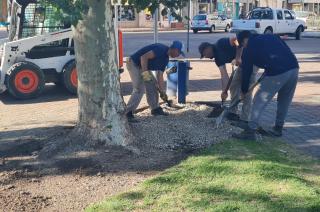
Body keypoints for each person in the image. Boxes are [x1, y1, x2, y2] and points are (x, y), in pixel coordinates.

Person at [233, 31, 299, 140]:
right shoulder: (271, 36)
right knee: (284, 101)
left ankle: (250, 131)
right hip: (294, 68)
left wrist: (244, 90)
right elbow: (282, 51)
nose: (243, 47)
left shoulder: (249, 47)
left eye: (242, 44)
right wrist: (267, 67)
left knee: (259, 100)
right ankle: (278, 128)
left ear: (245, 40)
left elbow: (247, 71)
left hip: (277, 72)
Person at [199, 37, 258, 123]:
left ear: (208, 49)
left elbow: (236, 39)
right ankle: (233, 112)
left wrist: (238, 56)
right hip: (242, 65)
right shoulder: (218, 60)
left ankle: (245, 118)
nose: (206, 57)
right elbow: (224, 75)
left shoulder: (220, 43)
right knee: (234, 85)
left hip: (252, 60)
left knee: (246, 90)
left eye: (204, 54)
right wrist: (224, 91)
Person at [126, 41, 185, 122]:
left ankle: (155, 108)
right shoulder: (160, 49)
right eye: (179, 53)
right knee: (139, 88)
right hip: (134, 63)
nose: (178, 55)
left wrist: (162, 92)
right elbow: (143, 57)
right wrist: (145, 73)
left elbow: (160, 76)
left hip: (143, 66)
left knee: (153, 84)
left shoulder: (165, 59)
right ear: (175, 49)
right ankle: (127, 113)